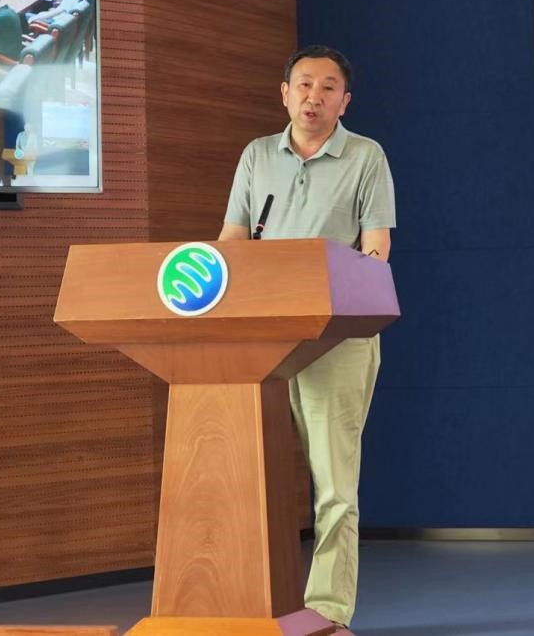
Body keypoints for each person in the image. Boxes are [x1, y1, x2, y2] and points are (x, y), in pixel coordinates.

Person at [219, 45, 395, 630]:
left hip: (334, 339)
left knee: (333, 483)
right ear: (284, 93)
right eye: (303, 84)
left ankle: (328, 611)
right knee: (253, 477)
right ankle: (256, 602)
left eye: (327, 87)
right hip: (262, 339)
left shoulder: (365, 156)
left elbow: (376, 249)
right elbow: (233, 240)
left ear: (345, 101)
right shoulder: (256, 155)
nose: (313, 96)